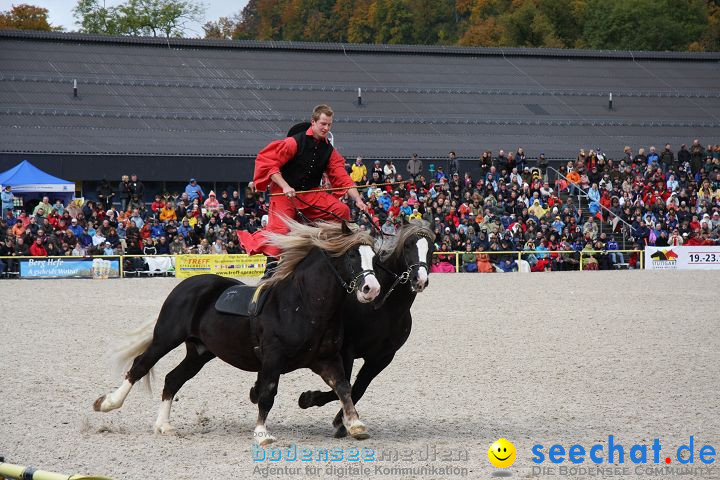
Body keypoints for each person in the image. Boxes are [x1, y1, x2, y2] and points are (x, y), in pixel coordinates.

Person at [237, 105, 368, 275]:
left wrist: (357, 199)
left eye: (329, 125)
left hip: (311, 194)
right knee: (280, 230)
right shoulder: (293, 142)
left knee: (341, 211)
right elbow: (268, 162)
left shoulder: (329, 151)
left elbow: (342, 177)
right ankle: (270, 269)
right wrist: (285, 186)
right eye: (323, 124)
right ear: (313, 122)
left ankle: (331, 254)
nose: (326, 128)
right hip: (284, 194)